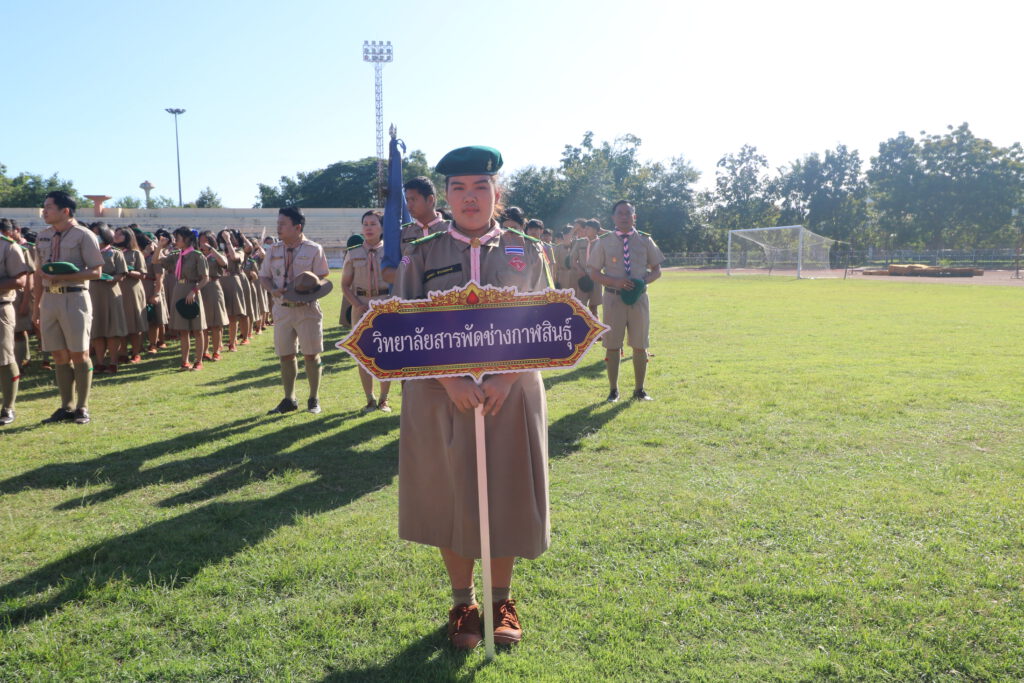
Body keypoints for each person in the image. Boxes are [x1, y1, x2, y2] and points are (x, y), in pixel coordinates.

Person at [396, 145, 547, 650]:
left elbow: (548, 321)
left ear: (496, 194)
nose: (470, 197)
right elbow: (402, 324)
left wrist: (506, 378)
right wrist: (449, 381)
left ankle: (501, 599)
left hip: (510, 392)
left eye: (481, 187)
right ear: (446, 196)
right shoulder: (422, 252)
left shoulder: (527, 250)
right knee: (450, 495)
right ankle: (463, 603)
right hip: (441, 394)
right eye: (458, 188)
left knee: (506, 492)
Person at [33, 191, 104, 425]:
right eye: (44, 207)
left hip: (74, 297)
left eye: (49, 207)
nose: (44, 211)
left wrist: (64, 277)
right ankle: (67, 406)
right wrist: (36, 306)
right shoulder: (42, 236)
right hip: (49, 300)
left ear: (65, 211)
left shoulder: (84, 235)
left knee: (79, 353)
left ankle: (82, 407)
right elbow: (38, 274)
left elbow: (96, 271)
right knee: (58, 354)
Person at [587, 200, 664, 402]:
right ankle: (613, 390)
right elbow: (593, 272)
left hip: (639, 299)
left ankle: (640, 390)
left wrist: (642, 281)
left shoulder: (645, 240)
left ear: (634, 217)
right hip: (613, 298)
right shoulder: (604, 241)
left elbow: (657, 270)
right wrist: (615, 281)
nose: (624, 217)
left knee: (640, 344)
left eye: (628, 213)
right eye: (620, 213)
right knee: (612, 345)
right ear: (613, 217)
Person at [258, 206, 330, 415]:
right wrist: (272, 289)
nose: (278, 227)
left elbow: (323, 276)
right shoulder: (273, 250)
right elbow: (264, 276)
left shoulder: (314, 249)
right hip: (282, 309)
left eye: (283, 224)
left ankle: (313, 398)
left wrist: (308, 288)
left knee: (311, 355)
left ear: (297, 227)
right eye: (278, 223)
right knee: (285, 356)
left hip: (306, 309)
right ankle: (289, 399)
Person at [341, 211, 392, 413]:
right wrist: (356, 304)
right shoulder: (353, 253)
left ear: (382, 228)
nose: (368, 228)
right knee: (363, 353)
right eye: (365, 224)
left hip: (385, 304)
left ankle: (384, 399)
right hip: (361, 304)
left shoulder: (390, 251)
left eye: (373, 224)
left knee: (386, 352)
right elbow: (345, 285)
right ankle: (369, 399)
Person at [155, 227, 209, 370]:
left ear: (186, 239)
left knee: (197, 329)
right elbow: (156, 260)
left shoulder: (197, 255)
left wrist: (194, 291)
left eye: (178, 238)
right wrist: (159, 246)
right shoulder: (176, 255)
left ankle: (198, 361)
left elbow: (205, 278)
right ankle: (185, 361)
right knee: (183, 330)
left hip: (192, 290)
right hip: (179, 289)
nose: (175, 241)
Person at [88, 223, 129, 374]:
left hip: (110, 292)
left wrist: (111, 278)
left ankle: (113, 362)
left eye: (98, 234)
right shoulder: (88, 252)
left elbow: (121, 274)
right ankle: (99, 362)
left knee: (112, 329)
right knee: (97, 329)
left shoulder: (115, 253)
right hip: (93, 291)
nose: (95, 237)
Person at [0, 220, 30, 425]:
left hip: (1, 306)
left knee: (5, 358)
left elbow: (20, 280)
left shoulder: (8, 247)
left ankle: (8, 407)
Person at [114, 227, 149, 363]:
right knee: (120, 322)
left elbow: (143, 274)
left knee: (134, 322)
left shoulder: (135, 253)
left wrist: (127, 271)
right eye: (115, 234)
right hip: (116, 289)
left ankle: (136, 352)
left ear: (127, 237)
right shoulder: (112, 252)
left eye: (120, 235)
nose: (116, 237)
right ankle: (122, 352)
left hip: (132, 290)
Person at [197, 231, 229, 360]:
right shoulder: (197, 254)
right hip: (200, 288)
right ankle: (205, 351)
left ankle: (216, 351)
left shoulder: (217, 253)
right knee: (203, 323)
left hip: (213, 287)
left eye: (205, 240)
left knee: (216, 322)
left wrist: (211, 250)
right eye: (200, 240)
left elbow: (224, 263)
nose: (202, 243)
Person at [569, 219, 604, 317]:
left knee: (594, 307)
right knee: (581, 306)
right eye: (586, 228)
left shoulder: (601, 243)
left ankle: (595, 325)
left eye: (589, 228)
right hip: (583, 276)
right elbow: (572, 259)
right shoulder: (580, 242)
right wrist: (579, 269)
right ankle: (581, 324)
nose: (586, 230)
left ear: (596, 230)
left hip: (596, 277)